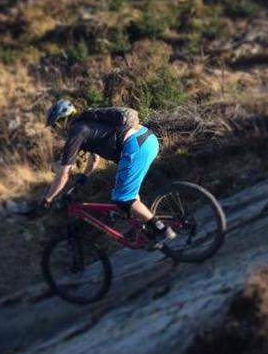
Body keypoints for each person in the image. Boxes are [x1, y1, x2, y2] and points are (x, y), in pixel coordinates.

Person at [41, 99, 176, 246]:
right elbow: (94, 160)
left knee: (123, 198)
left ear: (61, 121)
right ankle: (143, 228)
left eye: (55, 126)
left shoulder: (77, 130)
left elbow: (63, 173)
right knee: (128, 196)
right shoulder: (87, 125)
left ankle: (161, 229)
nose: (56, 131)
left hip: (136, 146)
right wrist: (83, 178)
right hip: (146, 138)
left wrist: (47, 200)